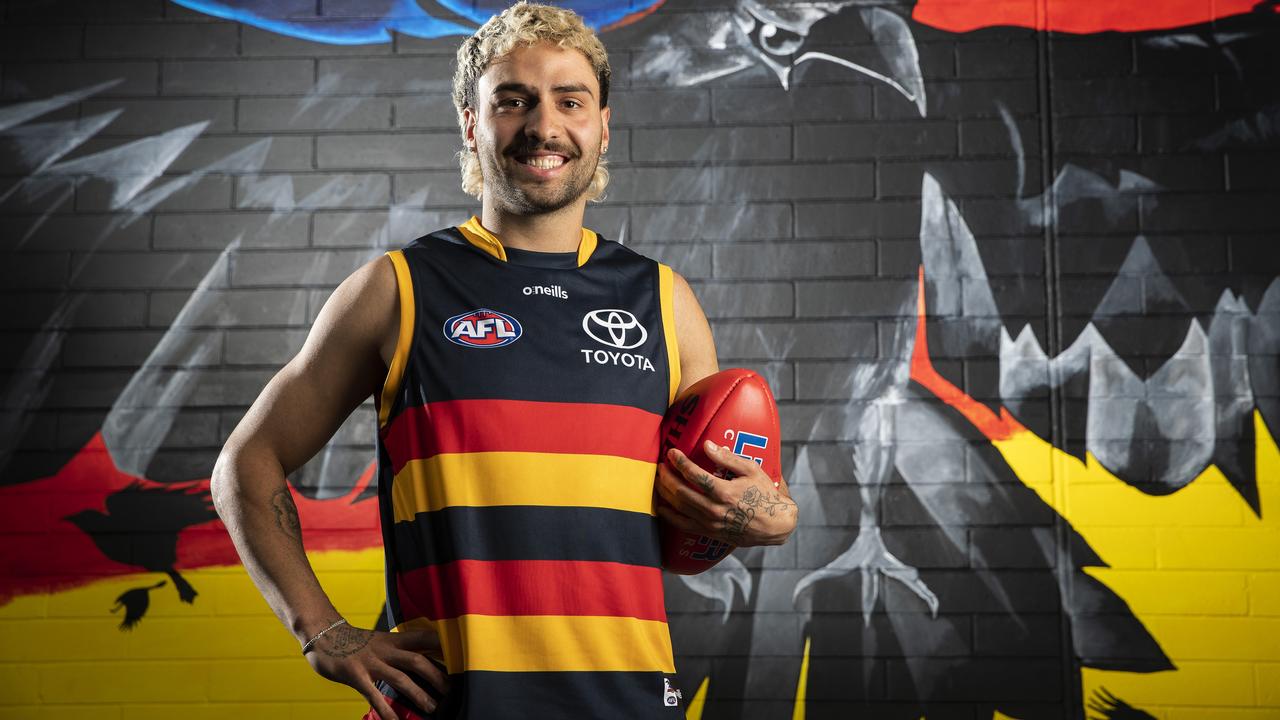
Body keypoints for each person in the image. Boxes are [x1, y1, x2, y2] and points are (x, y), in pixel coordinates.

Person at [210, 3, 798, 718]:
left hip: (630, 704)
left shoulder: (665, 302)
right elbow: (246, 463)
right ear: (470, 124)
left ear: (602, 125)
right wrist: (323, 632)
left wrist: (767, 516)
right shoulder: (397, 290)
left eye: (569, 101)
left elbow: (700, 515)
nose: (544, 127)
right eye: (512, 101)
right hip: (455, 705)